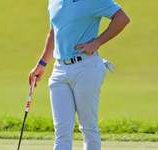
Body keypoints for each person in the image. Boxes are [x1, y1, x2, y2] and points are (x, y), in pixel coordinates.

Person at [29, 0, 130, 149]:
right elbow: (53, 31)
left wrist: (97, 43)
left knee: (88, 127)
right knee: (61, 131)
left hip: (86, 66)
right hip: (59, 69)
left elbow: (122, 18)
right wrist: (41, 64)